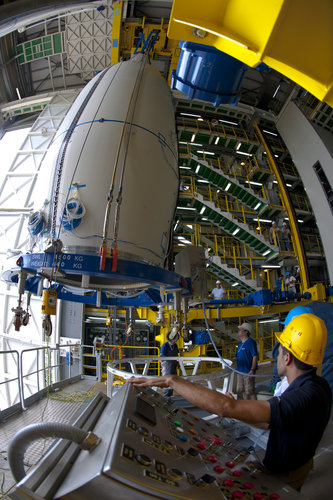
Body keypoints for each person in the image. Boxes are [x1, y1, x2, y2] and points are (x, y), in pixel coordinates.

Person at [128, 312, 331, 491]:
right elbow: (270, 422)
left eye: (278, 353)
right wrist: (241, 411)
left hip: (286, 474)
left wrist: (171, 380)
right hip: (296, 463)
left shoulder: (303, 397)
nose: (276, 357)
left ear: (287, 358)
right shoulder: (318, 385)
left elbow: (225, 408)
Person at [235, 323, 258, 400]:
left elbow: (255, 356)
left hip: (248, 371)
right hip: (240, 371)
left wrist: (252, 370)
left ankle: (255, 407)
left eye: (240, 329)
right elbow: (237, 356)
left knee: (250, 390)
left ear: (246, 331)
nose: (238, 331)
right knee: (241, 390)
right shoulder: (240, 344)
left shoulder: (251, 342)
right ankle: (245, 406)